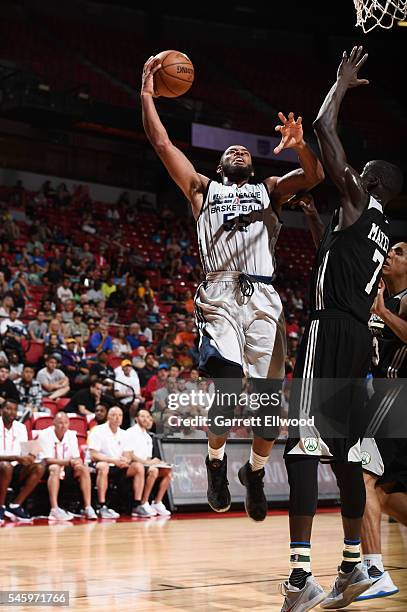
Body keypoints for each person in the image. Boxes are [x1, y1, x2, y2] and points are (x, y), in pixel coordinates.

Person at [141, 55, 324, 521]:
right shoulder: (203, 190)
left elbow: (315, 177)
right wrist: (146, 94)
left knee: (268, 407)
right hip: (220, 295)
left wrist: (302, 147)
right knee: (226, 387)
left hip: (264, 297)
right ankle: (216, 459)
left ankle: (257, 472)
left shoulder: (270, 188)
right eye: (233, 151)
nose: (240, 151)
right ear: (221, 164)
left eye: (246, 149)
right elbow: (162, 145)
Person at [280, 46, 404, 611]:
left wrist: (340, 83)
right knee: (348, 453)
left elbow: (327, 127)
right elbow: (339, 261)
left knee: (302, 444)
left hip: (329, 334)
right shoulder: (371, 230)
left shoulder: (359, 198)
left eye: (363, 171)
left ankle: (300, 576)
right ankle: (354, 565)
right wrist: (313, 223)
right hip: (357, 342)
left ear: (371, 181)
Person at [358, 242, 407, 601]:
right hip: (386, 401)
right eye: (390, 250)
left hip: (399, 400)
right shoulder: (382, 297)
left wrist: (382, 313)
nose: (390, 254)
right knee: (386, 496)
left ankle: (375, 572)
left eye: (401, 252)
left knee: (363, 478)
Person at [38, 412, 97, 521]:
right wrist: (69, 462)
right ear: (54, 423)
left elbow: (76, 457)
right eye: (60, 423)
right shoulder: (44, 434)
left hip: (67, 467)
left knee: (83, 468)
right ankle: (54, 509)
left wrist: (78, 462)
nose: (63, 425)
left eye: (66, 423)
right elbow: (48, 460)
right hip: (47, 467)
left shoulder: (71, 434)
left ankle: (88, 507)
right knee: (54, 468)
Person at [87, 406, 144, 518]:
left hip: (118, 465)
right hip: (101, 464)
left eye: (120, 415)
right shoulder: (98, 430)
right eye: (114, 415)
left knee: (138, 467)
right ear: (108, 417)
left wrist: (125, 460)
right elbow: (93, 454)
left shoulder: (124, 433)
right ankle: (102, 506)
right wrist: (113, 460)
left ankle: (137, 505)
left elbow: (127, 454)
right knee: (103, 467)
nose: (117, 418)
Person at [0, 398, 45, 523]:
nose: (12, 412)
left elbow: (25, 450)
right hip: (2, 467)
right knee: (5, 466)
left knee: (39, 467)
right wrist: (14, 458)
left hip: (16, 466)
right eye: (8, 408)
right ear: (1, 410)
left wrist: (31, 456)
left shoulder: (21, 427)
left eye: (14, 409)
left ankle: (15, 505)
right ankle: (1, 506)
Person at [124, 408, 171, 517]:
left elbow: (148, 458)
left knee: (167, 471)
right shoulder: (130, 432)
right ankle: (143, 503)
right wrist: (148, 463)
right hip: (132, 466)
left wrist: (157, 462)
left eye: (148, 417)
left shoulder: (148, 437)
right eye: (143, 416)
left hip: (145, 465)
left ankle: (157, 502)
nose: (146, 419)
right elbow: (130, 455)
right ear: (136, 419)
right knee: (153, 470)